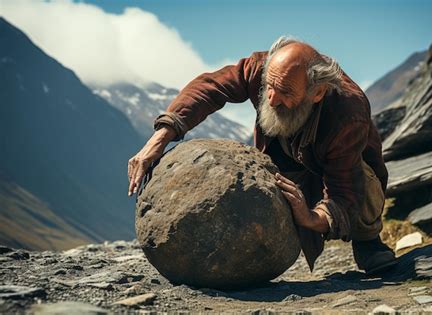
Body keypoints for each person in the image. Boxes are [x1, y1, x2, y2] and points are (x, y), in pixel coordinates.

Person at [128, 36, 397, 275]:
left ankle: (369, 242)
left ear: (317, 93)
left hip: (342, 167)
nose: (271, 98)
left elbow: (344, 191)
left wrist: (312, 218)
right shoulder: (263, 68)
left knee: (363, 184)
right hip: (284, 158)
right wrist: (162, 135)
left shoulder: (347, 114)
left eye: (286, 92)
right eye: (269, 85)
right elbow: (209, 87)